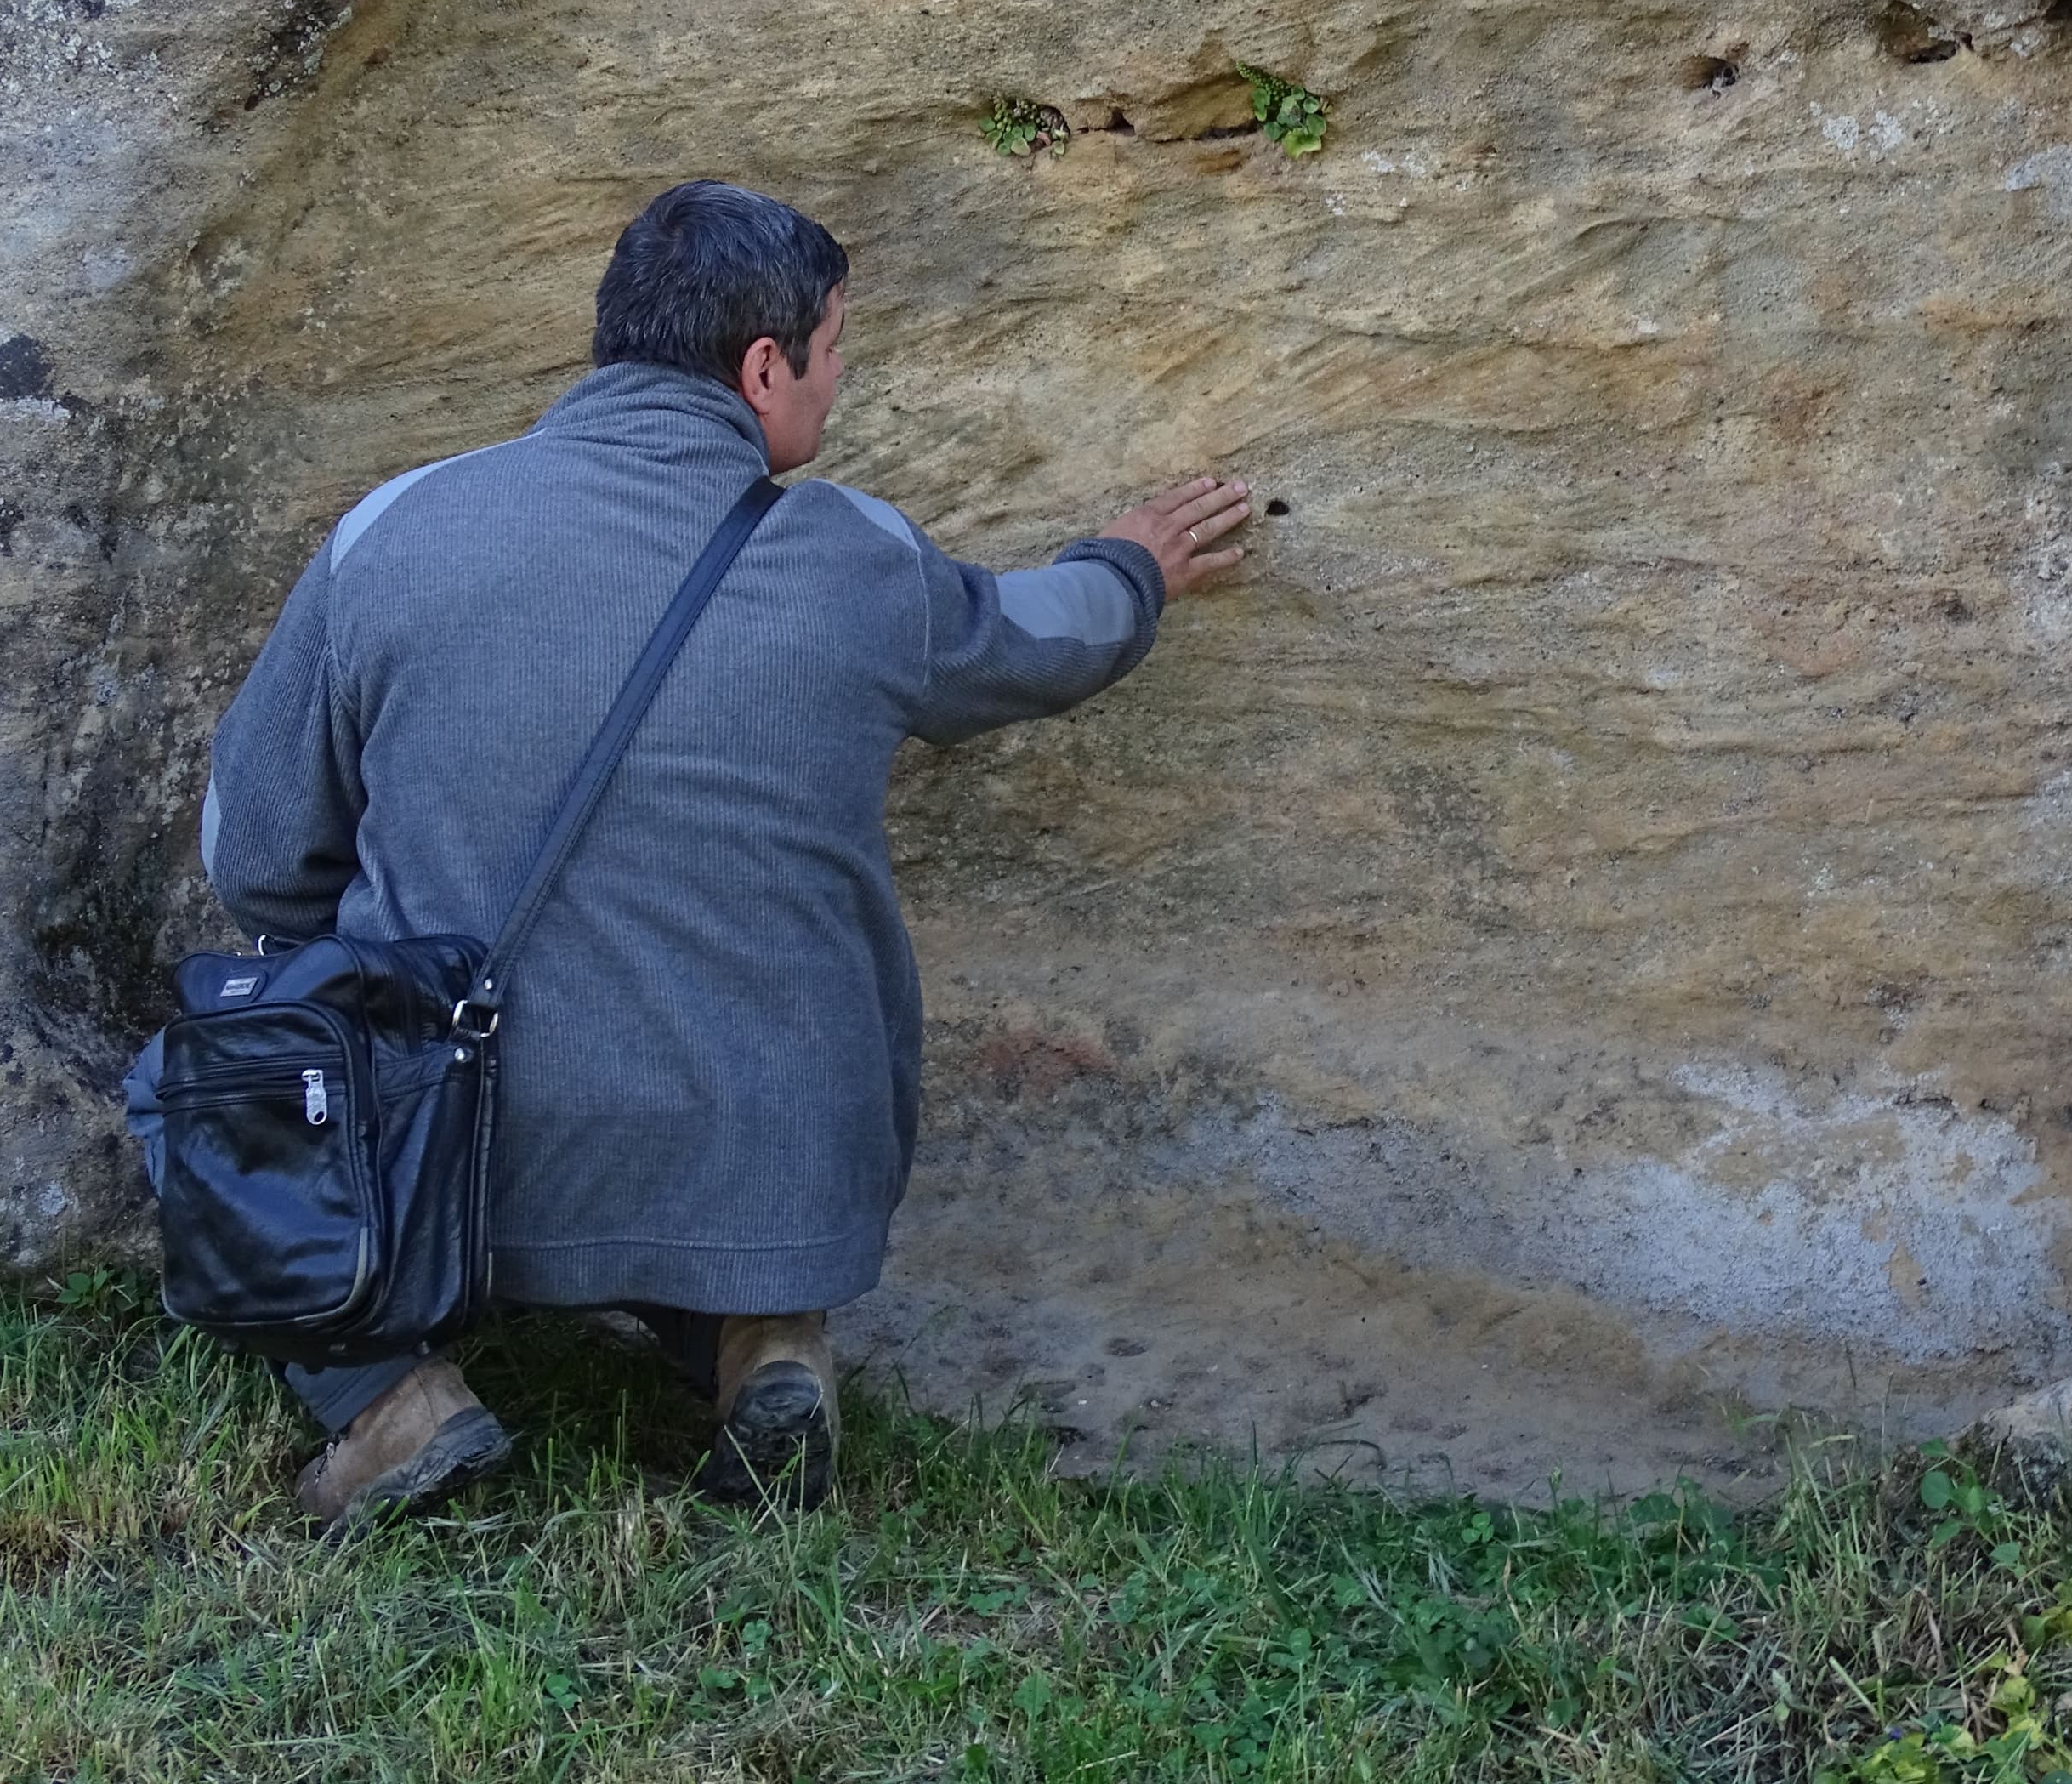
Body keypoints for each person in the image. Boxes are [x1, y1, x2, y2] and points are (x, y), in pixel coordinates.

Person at [124, 179, 1250, 1528]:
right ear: (762, 366)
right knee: (759, 1036)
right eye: (835, 356)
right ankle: (763, 1339)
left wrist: (376, 962)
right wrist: (1133, 565)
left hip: (448, 1163)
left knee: (194, 1092)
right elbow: (1039, 637)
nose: (836, 390)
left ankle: (390, 1399)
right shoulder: (857, 557)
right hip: (765, 1162)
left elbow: (254, 851)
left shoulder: (395, 530)